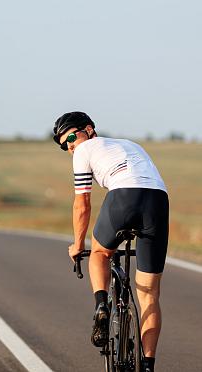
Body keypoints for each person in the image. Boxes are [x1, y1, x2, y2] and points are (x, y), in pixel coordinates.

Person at [53, 112, 169, 372]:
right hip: (158, 202)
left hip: (123, 197)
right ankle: (148, 365)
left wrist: (77, 244)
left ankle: (101, 306)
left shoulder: (85, 150)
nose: (70, 146)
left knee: (100, 253)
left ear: (89, 130)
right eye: (65, 145)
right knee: (150, 295)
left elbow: (82, 203)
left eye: (71, 137)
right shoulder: (131, 144)